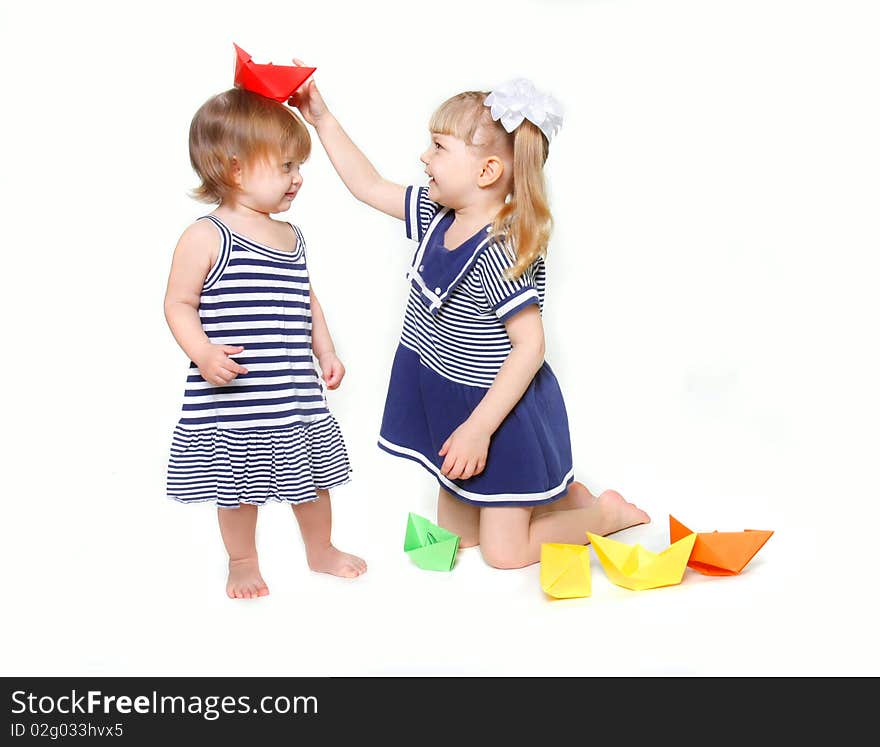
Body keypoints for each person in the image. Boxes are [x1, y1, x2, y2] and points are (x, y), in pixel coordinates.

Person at [289, 71, 650, 569]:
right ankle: (560, 496)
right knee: (461, 541)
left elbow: (530, 348)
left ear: (486, 171)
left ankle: (601, 516)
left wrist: (479, 429)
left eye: (438, 147)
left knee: (504, 555)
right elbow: (368, 186)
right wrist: (321, 119)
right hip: (452, 400)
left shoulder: (498, 251)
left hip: (498, 415)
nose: (424, 157)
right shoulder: (439, 215)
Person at [164, 87, 366, 598]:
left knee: (314, 480)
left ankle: (321, 549)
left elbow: (308, 301)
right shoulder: (207, 235)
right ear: (235, 170)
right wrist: (202, 352)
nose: (298, 177)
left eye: (299, 165)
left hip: (293, 392)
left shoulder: (291, 236)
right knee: (234, 491)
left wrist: (327, 351)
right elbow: (178, 303)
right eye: (285, 166)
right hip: (237, 398)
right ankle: (241, 560)